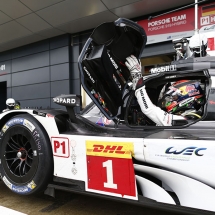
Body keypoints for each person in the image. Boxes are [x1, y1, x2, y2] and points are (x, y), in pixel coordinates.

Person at [125, 55, 204, 126]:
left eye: (174, 97)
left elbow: (149, 110)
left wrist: (137, 79)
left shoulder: (186, 120)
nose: (171, 100)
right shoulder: (192, 120)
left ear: (187, 98)